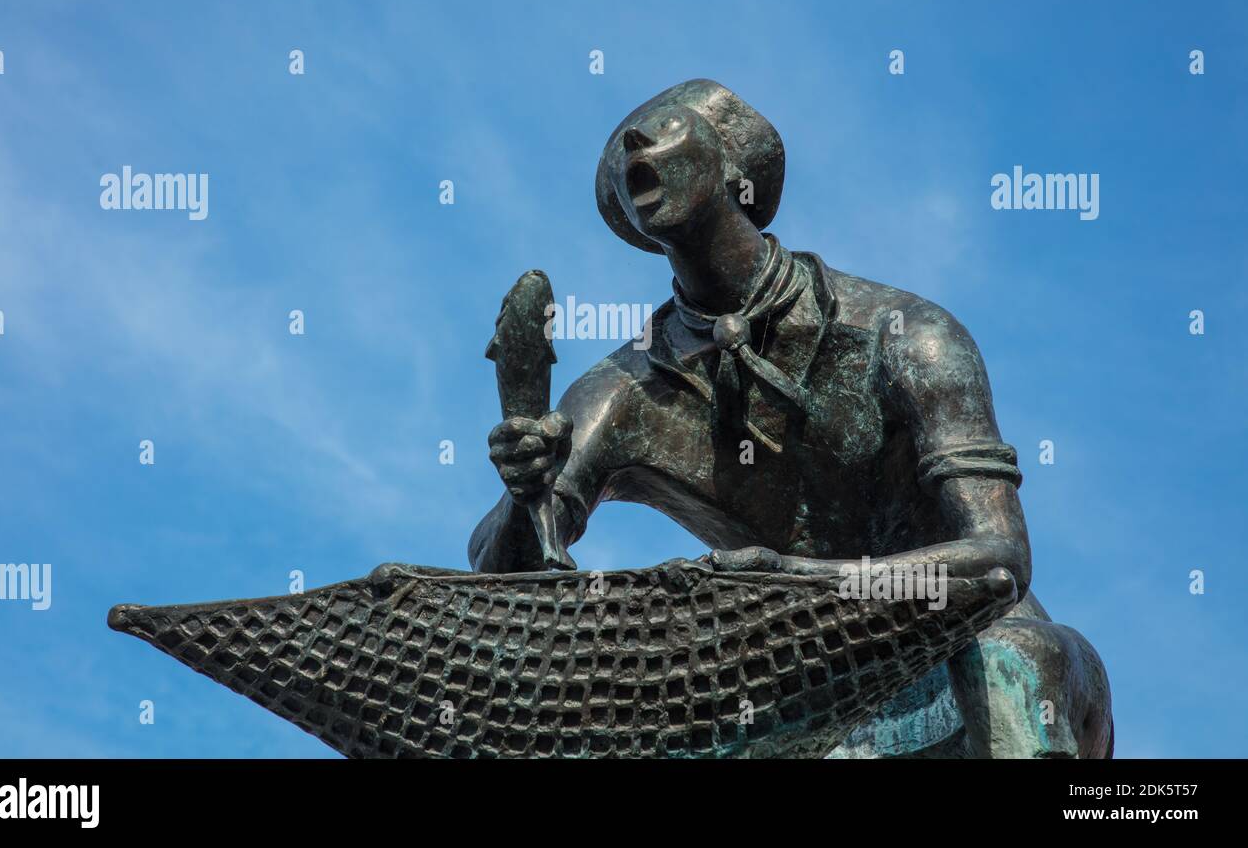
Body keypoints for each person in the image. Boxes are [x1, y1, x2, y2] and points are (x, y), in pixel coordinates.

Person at [469, 79, 1112, 758]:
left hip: (969, 659)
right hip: (799, 696)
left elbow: (1001, 560)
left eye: (667, 125)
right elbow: (503, 585)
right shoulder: (622, 390)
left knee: (1011, 661)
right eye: (620, 155)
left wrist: (797, 584)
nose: (633, 143)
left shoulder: (903, 335)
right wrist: (525, 494)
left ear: (736, 167)